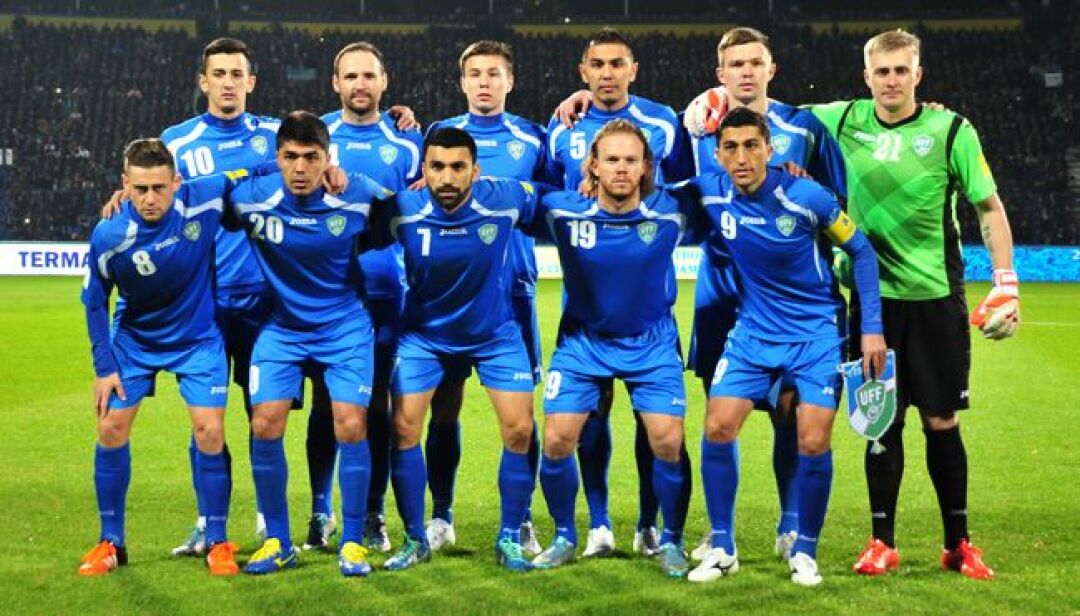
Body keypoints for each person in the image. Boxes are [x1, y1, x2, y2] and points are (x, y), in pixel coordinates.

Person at [808, 29, 1016, 580]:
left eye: (902, 70)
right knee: (881, 422)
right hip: (872, 303)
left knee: (941, 420)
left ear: (918, 74)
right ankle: (882, 542)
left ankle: (959, 543)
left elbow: (989, 208)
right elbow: (771, 112)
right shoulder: (842, 120)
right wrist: (712, 102)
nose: (892, 81)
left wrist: (1006, 282)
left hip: (934, 297)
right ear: (867, 76)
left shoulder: (951, 130)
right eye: (882, 71)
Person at [683, 107, 885, 586]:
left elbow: (861, 250)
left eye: (752, 146)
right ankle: (723, 547)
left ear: (770, 150)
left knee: (812, 439)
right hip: (753, 332)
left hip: (817, 333)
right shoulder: (708, 192)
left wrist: (871, 329)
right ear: (718, 155)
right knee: (717, 427)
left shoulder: (806, 196)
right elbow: (643, 189)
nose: (742, 157)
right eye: (731, 148)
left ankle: (805, 550)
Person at [680, 27, 848, 563]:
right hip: (720, 289)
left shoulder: (804, 128)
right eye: (736, 64)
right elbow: (676, 190)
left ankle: (790, 522)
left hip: (787, 296)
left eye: (755, 62)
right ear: (721, 73)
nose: (746, 71)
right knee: (718, 413)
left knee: (790, 411)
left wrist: (792, 183)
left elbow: (835, 201)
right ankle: (719, 532)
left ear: (771, 69)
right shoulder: (697, 126)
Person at [545, 27, 694, 559]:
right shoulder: (562, 127)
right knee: (581, 425)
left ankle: (655, 529)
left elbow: (697, 186)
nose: (607, 73)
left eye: (617, 64)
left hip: (649, 323)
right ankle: (592, 527)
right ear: (583, 71)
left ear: (633, 69)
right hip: (583, 323)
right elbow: (540, 190)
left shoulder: (664, 123)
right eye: (597, 65)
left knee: (660, 433)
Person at [370, 128, 542, 573]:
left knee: (520, 429)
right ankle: (415, 538)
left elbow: (551, 202)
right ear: (423, 170)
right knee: (403, 429)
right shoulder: (402, 208)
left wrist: (592, 185)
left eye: (457, 167)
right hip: (425, 336)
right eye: (437, 167)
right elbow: (349, 227)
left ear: (475, 171)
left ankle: (510, 536)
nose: (447, 177)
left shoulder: (505, 198)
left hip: (494, 334)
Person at [228, 111, 391, 577]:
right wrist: (126, 197)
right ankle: (278, 540)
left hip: (344, 326)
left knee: (351, 424)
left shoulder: (357, 194)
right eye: (290, 157)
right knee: (264, 422)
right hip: (283, 327)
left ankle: (353, 542)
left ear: (327, 158)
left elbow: (408, 209)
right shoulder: (251, 197)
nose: (300, 168)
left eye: (311, 157)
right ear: (277, 157)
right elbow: (192, 192)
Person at [79, 138, 243, 577]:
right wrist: (104, 368)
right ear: (124, 185)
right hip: (135, 341)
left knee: (210, 431)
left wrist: (329, 168)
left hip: (198, 338)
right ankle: (110, 542)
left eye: (158, 187)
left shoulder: (205, 197)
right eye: (139, 189)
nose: (150, 198)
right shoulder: (110, 235)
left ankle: (218, 540)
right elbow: (95, 302)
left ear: (177, 182)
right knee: (110, 427)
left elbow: (262, 169)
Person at [422, 39, 547, 556]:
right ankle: (441, 514)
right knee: (443, 409)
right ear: (462, 81)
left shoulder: (533, 137)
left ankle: (521, 519)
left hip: (514, 290)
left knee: (520, 417)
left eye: (493, 74)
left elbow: (552, 201)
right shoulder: (440, 135)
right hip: (450, 296)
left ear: (509, 80)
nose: (484, 83)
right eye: (474, 74)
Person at [159, 37, 278, 555]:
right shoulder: (177, 141)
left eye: (236, 74)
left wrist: (401, 118)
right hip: (202, 302)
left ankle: (267, 517)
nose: (228, 83)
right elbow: (156, 199)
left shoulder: (276, 136)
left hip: (265, 301)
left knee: (264, 416)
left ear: (251, 82)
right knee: (205, 419)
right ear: (203, 81)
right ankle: (209, 521)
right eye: (219, 73)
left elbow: (326, 148)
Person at [321, 40, 423, 554]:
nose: (360, 84)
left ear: (384, 83)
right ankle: (321, 510)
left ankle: (372, 514)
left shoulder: (409, 143)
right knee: (327, 405)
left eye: (369, 76)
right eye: (351, 76)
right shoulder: (316, 138)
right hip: (325, 294)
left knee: (378, 405)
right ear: (335, 83)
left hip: (386, 294)